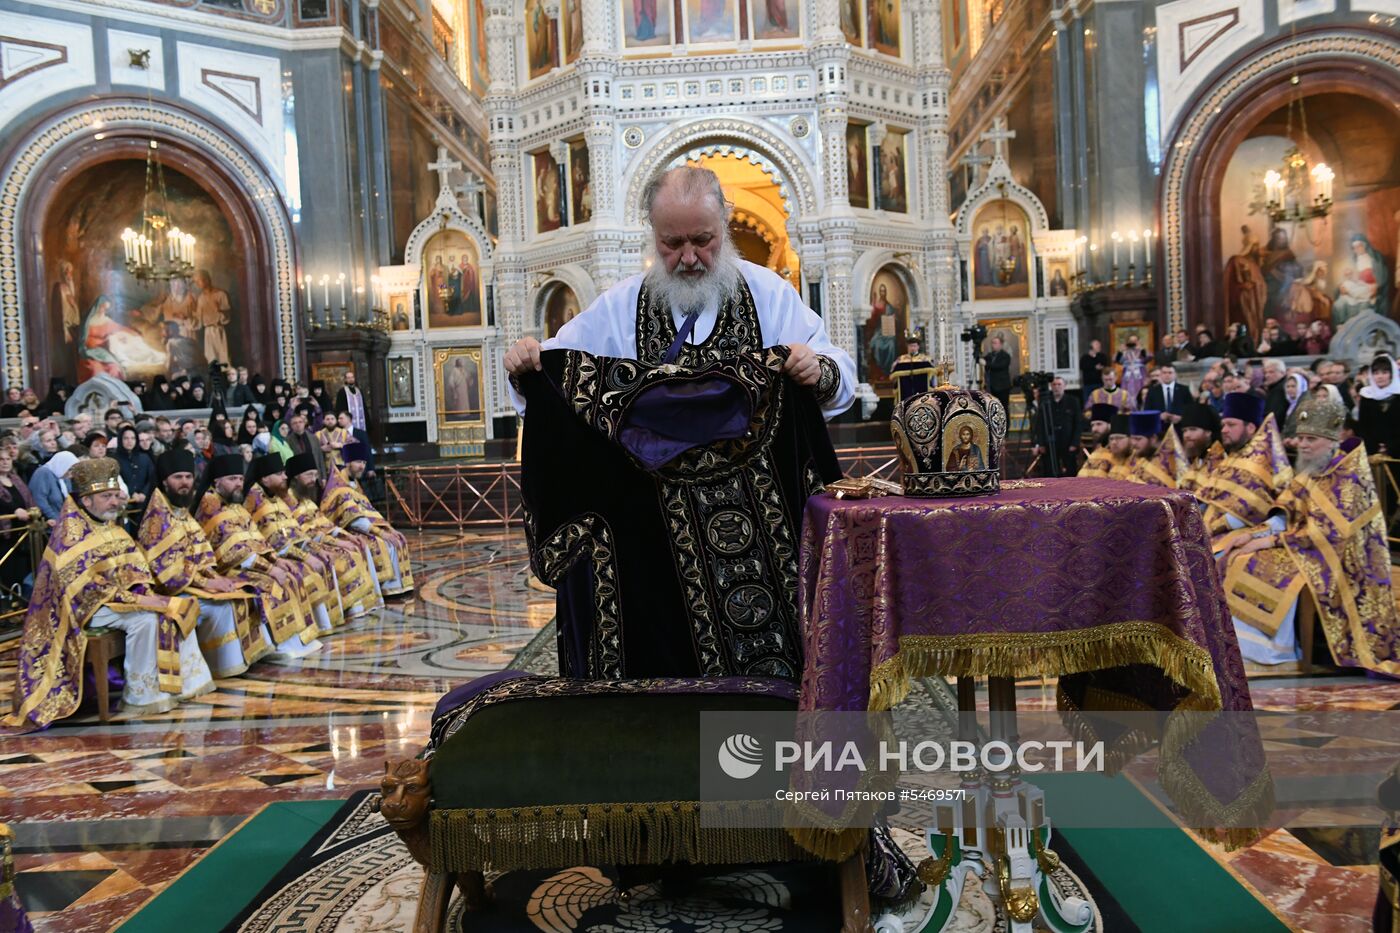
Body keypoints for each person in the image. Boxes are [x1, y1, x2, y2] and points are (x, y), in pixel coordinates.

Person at [503, 165, 854, 419]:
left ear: (724, 226)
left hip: (758, 502)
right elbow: (555, 364)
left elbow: (840, 373)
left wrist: (816, 370)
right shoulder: (621, 305)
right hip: (654, 507)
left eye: (703, 240)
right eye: (672, 243)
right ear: (653, 234)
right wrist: (526, 362)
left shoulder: (768, 293)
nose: (688, 258)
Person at [6, 458, 213, 730]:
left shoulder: (111, 527)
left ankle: (185, 684)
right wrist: (140, 600)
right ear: (86, 500)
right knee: (146, 621)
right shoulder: (71, 534)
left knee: (180, 607)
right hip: (80, 612)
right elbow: (86, 590)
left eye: (116, 495)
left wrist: (145, 592)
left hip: (114, 603)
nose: (115, 502)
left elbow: (134, 568)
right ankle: (142, 695)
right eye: (106, 497)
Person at [1218, 393, 1400, 673]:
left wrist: (1268, 541)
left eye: (1310, 440)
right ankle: (1244, 647)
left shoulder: (1348, 475)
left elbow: (1327, 535)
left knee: (1261, 565)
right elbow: (1287, 511)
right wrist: (1254, 536)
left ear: (1332, 441)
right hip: (1304, 546)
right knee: (1234, 554)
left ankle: (1276, 652)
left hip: (1342, 561)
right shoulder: (1311, 469)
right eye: (1300, 438)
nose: (1303, 445)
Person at [136, 450, 272, 678]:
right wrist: (206, 584)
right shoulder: (158, 517)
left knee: (240, 596)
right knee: (223, 607)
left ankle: (239, 661)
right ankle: (221, 666)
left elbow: (201, 555)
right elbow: (169, 573)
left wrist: (215, 578)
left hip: (190, 584)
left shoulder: (181, 513)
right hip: (171, 590)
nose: (184, 483)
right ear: (164, 481)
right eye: (178, 477)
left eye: (188, 477)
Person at [193, 454, 324, 659]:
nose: (238, 484)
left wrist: (276, 560)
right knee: (272, 583)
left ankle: (297, 639)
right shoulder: (210, 504)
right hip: (229, 569)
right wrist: (271, 569)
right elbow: (234, 551)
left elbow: (257, 539)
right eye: (232, 479)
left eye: (240, 478)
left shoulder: (234, 503)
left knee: (289, 575)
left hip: (249, 563)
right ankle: (279, 644)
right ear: (217, 482)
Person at [246, 454, 378, 624]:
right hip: (273, 558)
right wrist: (312, 553)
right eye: (280, 474)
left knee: (346, 552)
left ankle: (347, 611)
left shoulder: (278, 499)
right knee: (315, 568)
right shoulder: (263, 502)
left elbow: (305, 531)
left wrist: (340, 539)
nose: (284, 477)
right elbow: (277, 541)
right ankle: (321, 624)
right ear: (264, 479)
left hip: (296, 549)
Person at [284, 452, 385, 614]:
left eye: (315, 475)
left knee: (357, 547)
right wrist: (338, 542)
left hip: (322, 539)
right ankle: (348, 608)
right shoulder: (289, 500)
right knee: (346, 556)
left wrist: (348, 536)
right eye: (309, 475)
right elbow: (306, 532)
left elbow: (323, 522)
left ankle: (362, 603)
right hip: (307, 546)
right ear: (296, 477)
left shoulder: (306, 497)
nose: (314, 480)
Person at [322, 440, 414, 596]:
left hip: (360, 526)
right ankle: (387, 586)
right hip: (346, 530)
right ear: (348, 462)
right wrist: (380, 532)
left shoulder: (354, 483)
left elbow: (367, 510)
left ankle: (398, 585)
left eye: (364, 462)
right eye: (358, 462)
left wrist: (388, 528)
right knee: (383, 543)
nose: (362, 467)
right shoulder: (338, 487)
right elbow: (353, 518)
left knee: (397, 539)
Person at [1196, 393, 1293, 543]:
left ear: (1251, 428)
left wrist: (1211, 528)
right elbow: (1209, 498)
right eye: (1223, 425)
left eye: (1231, 425)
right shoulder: (1232, 457)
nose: (1224, 430)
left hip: (1242, 531)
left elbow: (1247, 511)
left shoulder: (1260, 461)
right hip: (1208, 529)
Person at [1032, 376, 1080, 476]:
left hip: (1068, 441)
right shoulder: (1045, 402)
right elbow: (1040, 424)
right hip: (1049, 441)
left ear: (1064, 386)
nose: (1056, 387)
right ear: (1051, 386)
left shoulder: (1073, 401)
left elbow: (1078, 423)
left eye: (1059, 384)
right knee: (1049, 470)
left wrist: (1075, 443)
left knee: (1070, 470)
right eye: (1054, 384)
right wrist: (1040, 443)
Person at [1125, 411, 1185, 489]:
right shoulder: (1139, 457)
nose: (1133, 443)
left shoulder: (1170, 461)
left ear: (1153, 438)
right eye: (1132, 438)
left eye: (1138, 439)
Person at [1177, 403, 1224, 498]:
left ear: (1208, 432)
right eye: (1184, 431)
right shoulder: (1196, 461)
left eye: (1192, 429)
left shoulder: (1221, 460)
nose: (1187, 435)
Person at [29, 450, 78, 523]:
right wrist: (56, 520)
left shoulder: (63, 477)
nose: (72, 473)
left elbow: (69, 499)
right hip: (49, 524)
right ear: (62, 464)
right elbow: (39, 501)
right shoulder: (43, 473)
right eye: (70, 469)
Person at [1078, 405, 1125, 478]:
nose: (1094, 429)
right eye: (1092, 425)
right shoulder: (1097, 451)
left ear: (1111, 425)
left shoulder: (1120, 452)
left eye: (1099, 424)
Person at [983, 335, 1012, 415]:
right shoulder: (990, 355)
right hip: (991, 387)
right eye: (992, 343)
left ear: (1001, 344)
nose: (993, 345)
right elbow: (982, 359)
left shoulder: (1005, 356)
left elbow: (999, 366)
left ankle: (1006, 427)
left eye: (995, 343)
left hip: (1002, 387)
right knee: (992, 409)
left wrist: (986, 364)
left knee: (1003, 408)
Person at [334, 370, 368, 436]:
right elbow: (339, 408)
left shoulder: (359, 390)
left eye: (352, 377)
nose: (351, 379)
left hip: (360, 421)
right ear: (346, 379)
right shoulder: (342, 391)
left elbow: (364, 406)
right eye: (348, 378)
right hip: (348, 421)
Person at [1116, 335, 1148, 401]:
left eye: (1135, 341)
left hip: (1139, 375)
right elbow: (1118, 361)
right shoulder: (1125, 351)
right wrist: (1120, 351)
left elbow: (1146, 359)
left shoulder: (1141, 350)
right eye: (1131, 341)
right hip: (1128, 376)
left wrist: (1141, 349)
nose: (1133, 343)